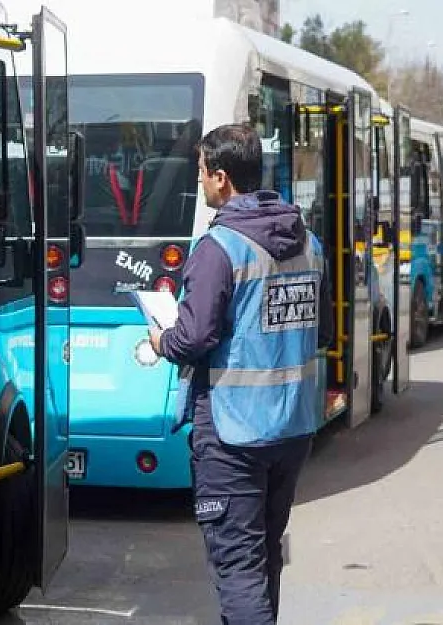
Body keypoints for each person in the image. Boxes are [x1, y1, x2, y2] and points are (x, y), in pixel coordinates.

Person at [148, 123, 333, 624]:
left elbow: (192, 338)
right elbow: (323, 333)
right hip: (292, 429)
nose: (201, 180)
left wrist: (161, 340)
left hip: (232, 435)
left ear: (223, 179)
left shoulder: (220, 248)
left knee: (238, 567)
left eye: (203, 171)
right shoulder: (309, 243)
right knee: (264, 556)